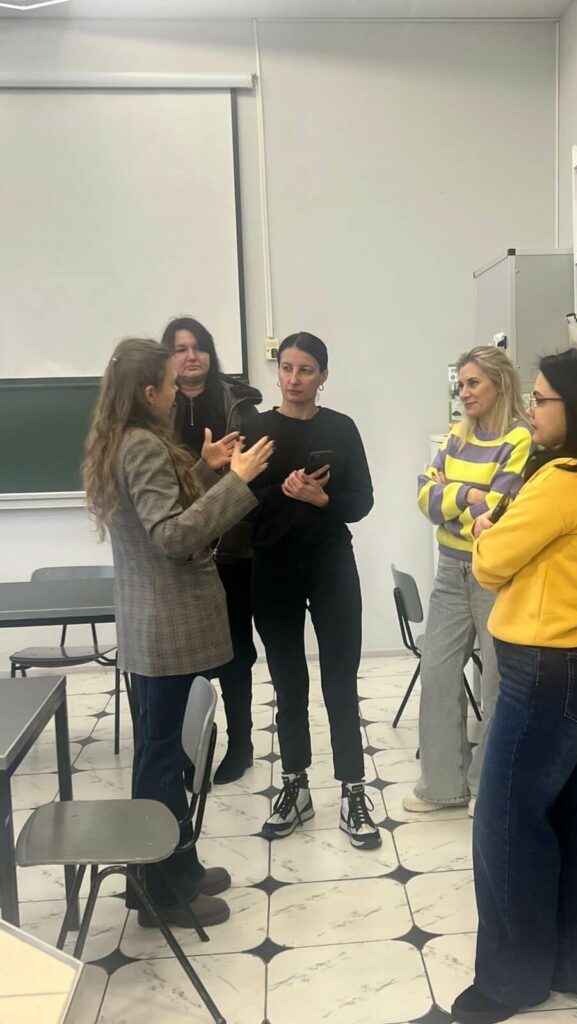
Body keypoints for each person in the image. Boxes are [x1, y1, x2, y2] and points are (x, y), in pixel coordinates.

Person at [451, 348, 577, 1024]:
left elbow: (490, 564)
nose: (531, 409)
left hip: (549, 672)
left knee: (507, 821)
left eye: (541, 399)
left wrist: (485, 526)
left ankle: (510, 984)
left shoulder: (564, 478)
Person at [82, 337, 273, 928]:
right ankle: (161, 893)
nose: (177, 390)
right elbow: (170, 536)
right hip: (166, 627)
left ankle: (176, 870)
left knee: (162, 753)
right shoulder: (141, 445)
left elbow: (155, 511)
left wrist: (202, 468)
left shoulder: (125, 439)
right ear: (148, 392)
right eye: (168, 383)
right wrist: (236, 481)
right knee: (164, 762)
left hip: (155, 626)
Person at [244, 332, 379, 849]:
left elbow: (362, 500)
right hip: (272, 567)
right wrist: (280, 492)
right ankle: (294, 786)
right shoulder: (255, 428)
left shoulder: (341, 428)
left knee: (340, 682)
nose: (293, 379)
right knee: (288, 684)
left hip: (330, 566)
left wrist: (323, 500)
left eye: (305, 370)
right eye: (286, 367)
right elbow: (235, 496)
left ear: (323, 376)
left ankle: (353, 790)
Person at [404, 347, 532, 815]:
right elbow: (424, 496)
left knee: (498, 683)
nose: (463, 392)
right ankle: (441, 787)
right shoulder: (458, 435)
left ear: (500, 383)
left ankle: (489, 789)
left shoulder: (520, 438)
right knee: (437, 673)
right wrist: (469, 496)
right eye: (460, 384)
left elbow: (499, 513)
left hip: (494, 576)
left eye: (473, 383)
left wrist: (453, 496)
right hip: (450, 571)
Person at [160, 316, 263, 784]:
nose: (191, 356)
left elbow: (254, 476)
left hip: (232, 548)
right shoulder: (156, 410)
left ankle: (241, 744)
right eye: (180, 348)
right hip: (178, 549)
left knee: (237, 652)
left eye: (198, 346)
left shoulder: (238, 404)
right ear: (168, 358)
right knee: (185, 658)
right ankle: (190, 747)